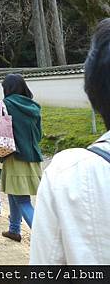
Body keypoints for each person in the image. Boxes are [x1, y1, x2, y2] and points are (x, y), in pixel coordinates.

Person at [30, 18, 110, 264]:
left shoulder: (70, 175)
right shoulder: (33, 107)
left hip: (9, 156)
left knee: (16, 197)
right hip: (31, 155)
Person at [0, 74, 43, 242]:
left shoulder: (3, 105)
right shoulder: (34, 107)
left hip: (14, 157)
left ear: (7, 89)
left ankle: (44, 238)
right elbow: (39, 135)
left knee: (23, 200)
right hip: (33, 158)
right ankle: (14, 229)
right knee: (14, 193)